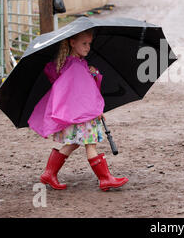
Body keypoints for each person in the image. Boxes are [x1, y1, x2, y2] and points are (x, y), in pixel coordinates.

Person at [28, 30, 129, 191]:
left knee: (74, 143)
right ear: (72, 43)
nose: (88, 47)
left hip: (77, 115)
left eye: (89, 44)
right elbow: (84, 95)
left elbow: (80, 90)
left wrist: (93, 74)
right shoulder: (75, 66)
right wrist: (96, 109)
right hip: (83, 115)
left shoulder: (74, 63)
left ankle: (49, 173)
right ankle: (105, 179)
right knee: (91, 144)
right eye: (84, 43)